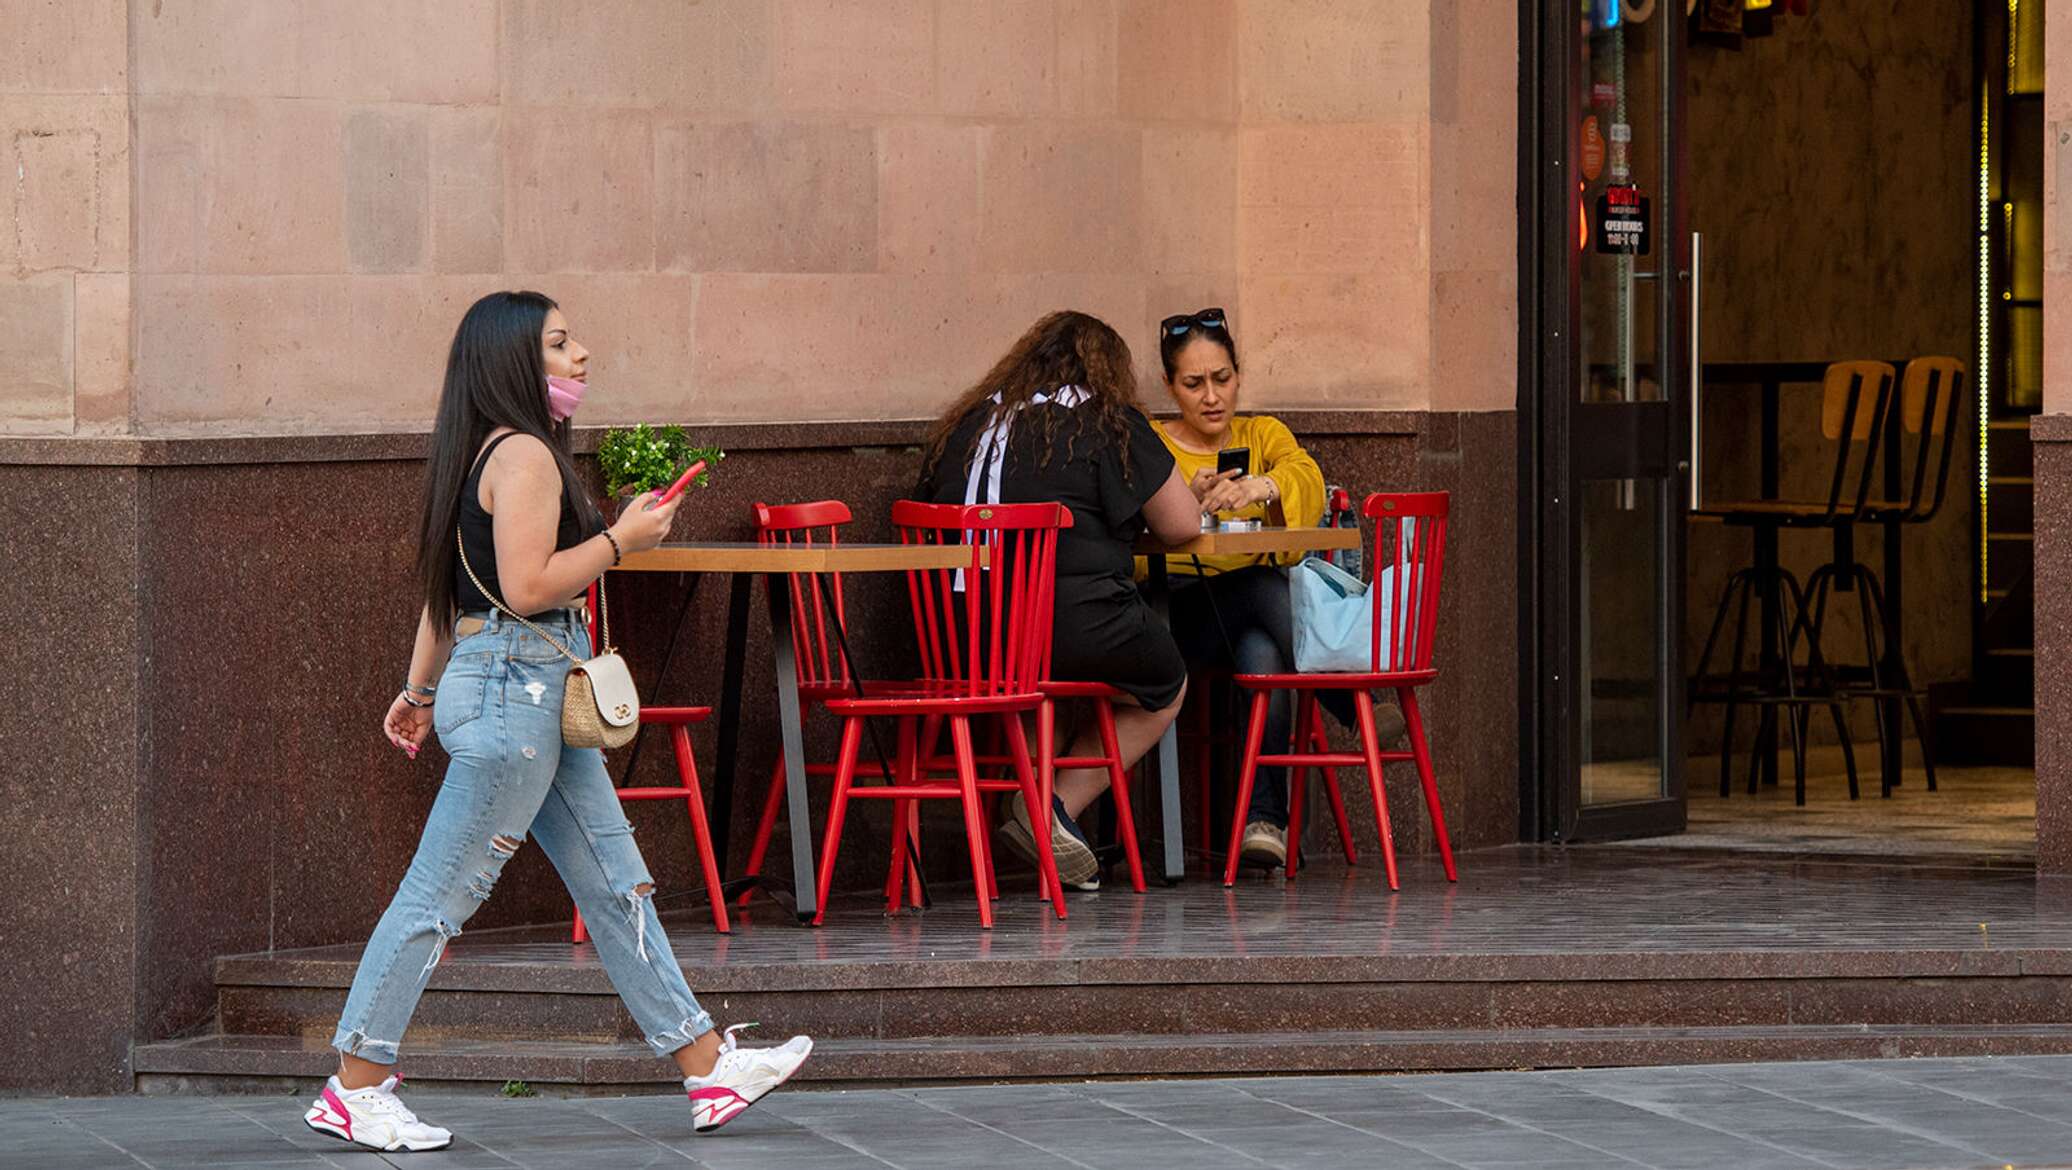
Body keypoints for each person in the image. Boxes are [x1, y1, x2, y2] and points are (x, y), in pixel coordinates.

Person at [306, 291, 809, 1152]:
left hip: (508, 687)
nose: (582, 357)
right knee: (439, 895)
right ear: (512, 362)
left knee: (616, 883)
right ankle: (355, 1083)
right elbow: (532, 586)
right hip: (516, 695)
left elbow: (448, 595)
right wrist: (622, 538)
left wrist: (420, 691)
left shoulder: (475, 454)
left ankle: (704, 1066)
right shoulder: (528, 456)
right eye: (560, 343)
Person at [917, 310, 1202, 891]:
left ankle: (1036, 802)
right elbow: (1180, 525)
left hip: (964, 637)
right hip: (1075, 626)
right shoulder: (1105, 420)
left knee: (1027, 683)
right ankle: (1049, 808)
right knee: (1166, 684)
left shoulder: (970, 424)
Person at [1150, 307, 1404, 870]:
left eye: (1222, 379)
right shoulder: (1153, 446)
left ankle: (1263, 824)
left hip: (1254, 623)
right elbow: (1137, 549)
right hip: (1174, 620)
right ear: (1170, 386)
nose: (1212, 396)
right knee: (1261, 583)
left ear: (1239, 374)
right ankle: (1351, 700)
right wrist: (1183, 501)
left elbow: (1307, 481)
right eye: (1194, 384)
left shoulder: (1262, 434)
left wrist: (1263, 487)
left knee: (1264, 652)